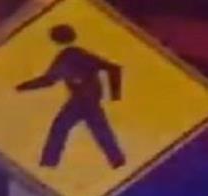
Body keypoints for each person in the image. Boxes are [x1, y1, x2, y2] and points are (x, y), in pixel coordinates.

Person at [16, 24, 126, 169]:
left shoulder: (69, 55)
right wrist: (114, 95)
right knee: (98, 129)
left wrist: (22, 87)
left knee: (61, 127)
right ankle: (117, 161)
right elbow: (50, 80)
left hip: (82, 100)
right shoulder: (76, 54)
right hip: (86, 99)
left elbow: (49, 80)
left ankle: (49, 162)